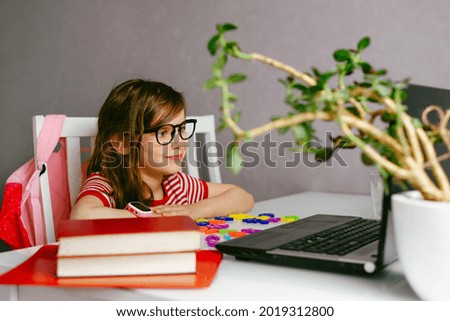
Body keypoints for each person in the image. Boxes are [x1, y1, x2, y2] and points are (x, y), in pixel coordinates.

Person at [70, 79, 254, 220]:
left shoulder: (177, 185)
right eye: (163, 133)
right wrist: (152, 217)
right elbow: (81, 215)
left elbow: (243, 197)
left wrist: (194, 210)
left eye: (181, 130)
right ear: (123, 144)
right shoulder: (108, 184)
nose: (179, 142)